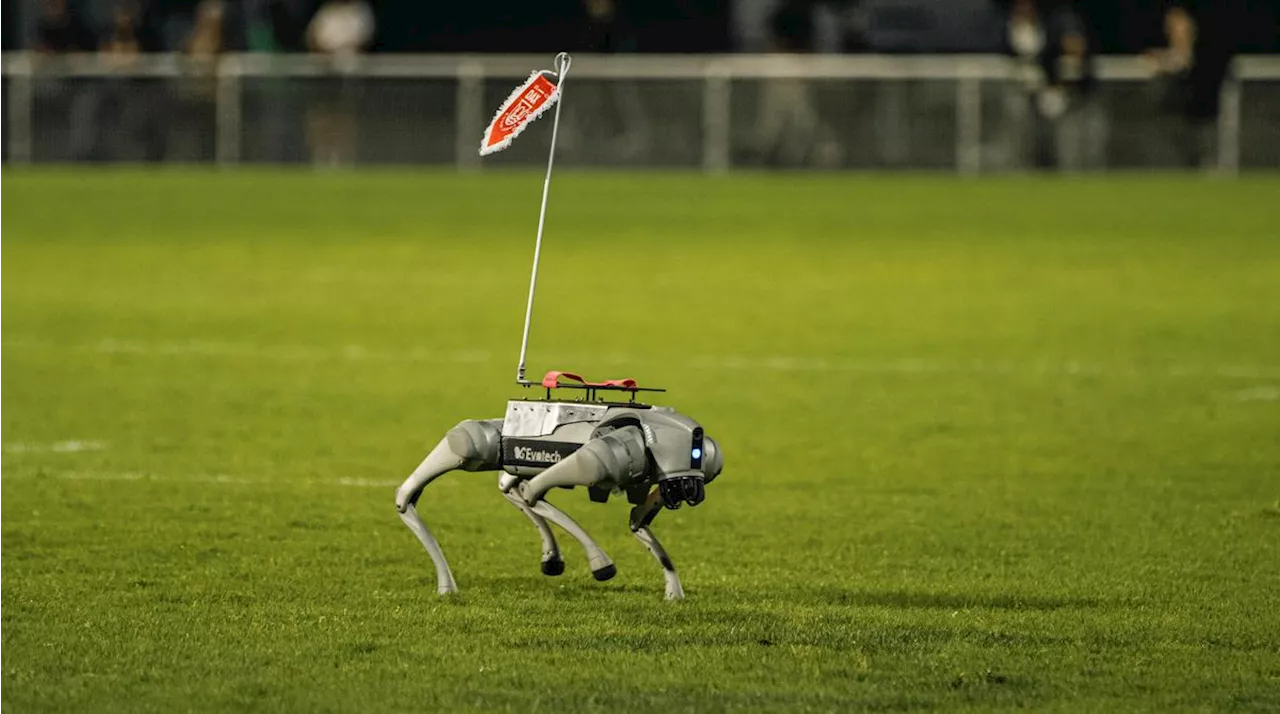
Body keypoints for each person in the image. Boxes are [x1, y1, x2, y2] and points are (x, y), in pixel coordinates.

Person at [306, 0, 375, 168]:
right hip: (324, 72)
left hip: (348, 74)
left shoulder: (359, 10)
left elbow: (362, 40)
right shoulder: (327, 10)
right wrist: (324, 51)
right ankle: (322, 158)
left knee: (345, 116)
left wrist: (337, 51)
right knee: (322, 115)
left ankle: (343, 159)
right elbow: (313, 37)